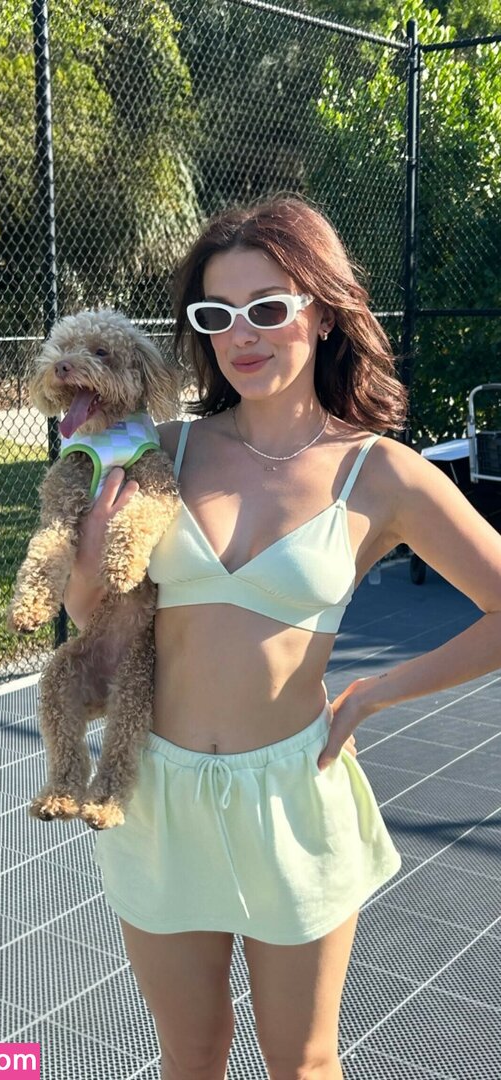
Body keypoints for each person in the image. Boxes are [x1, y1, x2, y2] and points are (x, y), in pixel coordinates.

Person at [63, 196, 501, 1080]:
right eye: (216, 314)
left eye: (267, 307)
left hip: (291, 799)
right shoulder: (162, 450)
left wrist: (375, 692)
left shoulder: (380, 473)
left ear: (323, 312)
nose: (241, 334)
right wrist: (91, 550)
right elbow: (88, 615)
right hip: (157, 793)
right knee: (191, 1054)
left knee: (300, 1062)